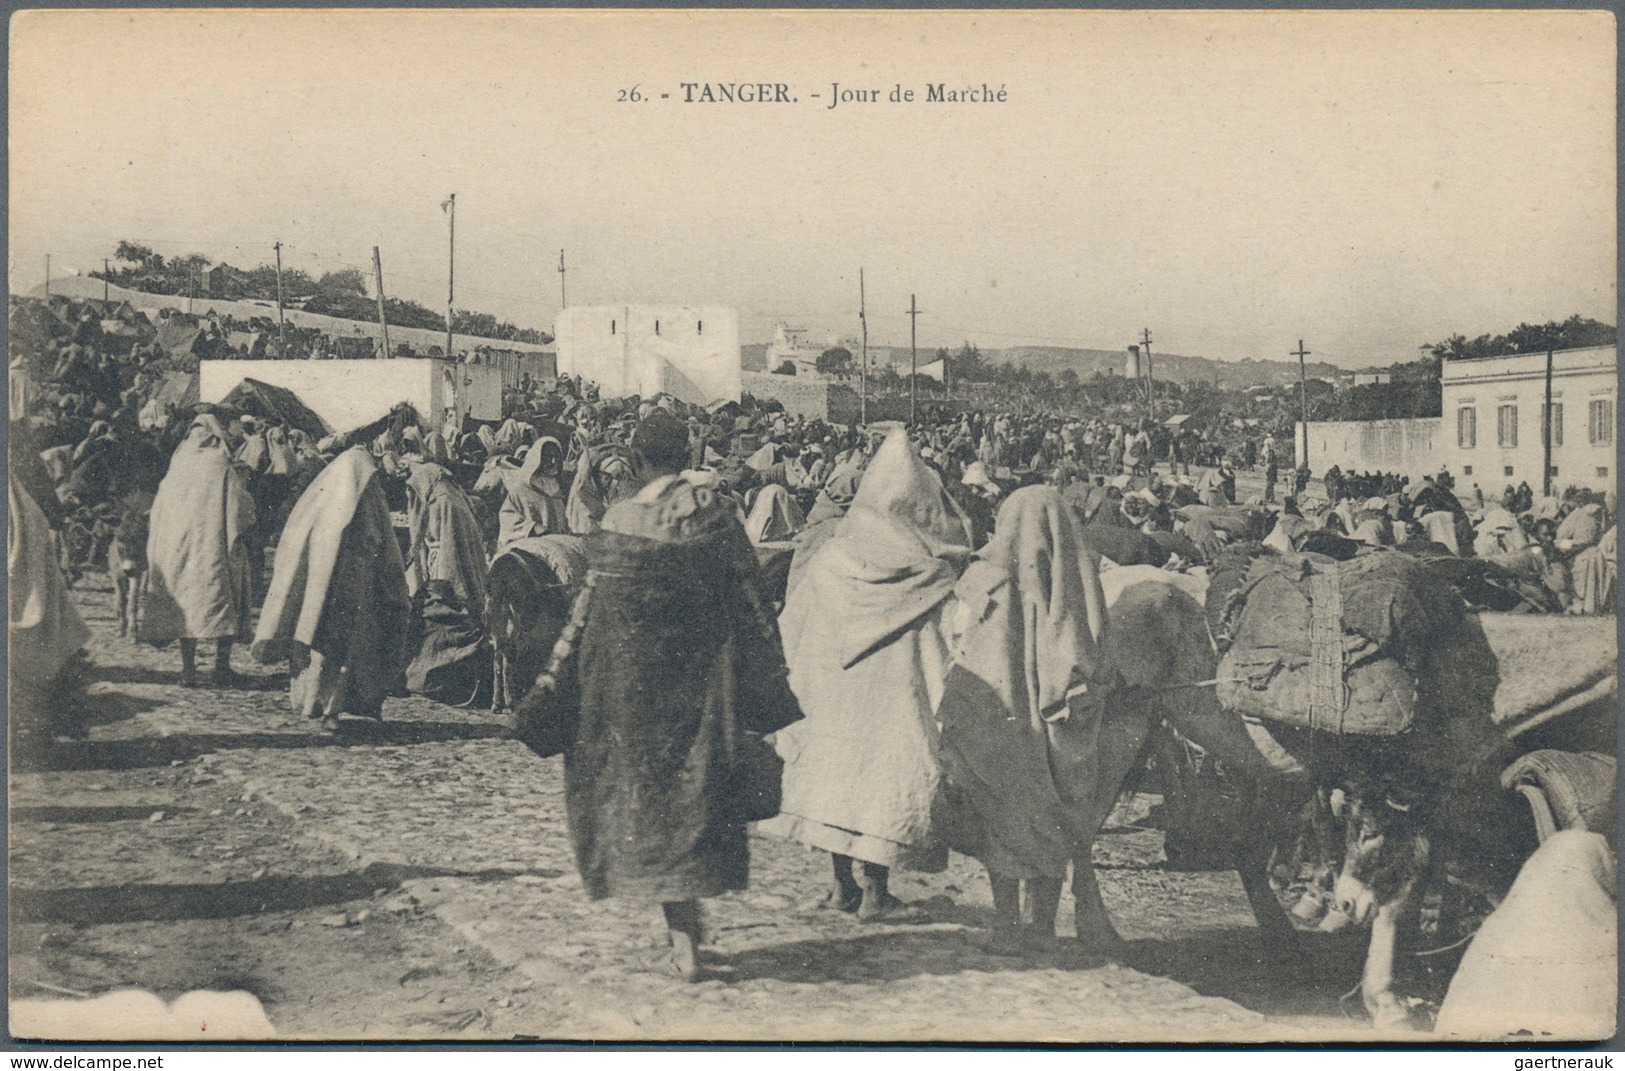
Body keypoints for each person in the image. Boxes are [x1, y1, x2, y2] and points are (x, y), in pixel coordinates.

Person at [519, 411, 802, 981]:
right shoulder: (714, 516)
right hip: (699, 691)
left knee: (646, 805)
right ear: (688, 451)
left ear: (636, 456)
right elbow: (753, 600)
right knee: (692, 801)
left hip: (623, 695)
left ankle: (682, 932)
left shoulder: (618, 521)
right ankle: (687, 932)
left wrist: (553, 678)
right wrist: (769, 675)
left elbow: (585, 609)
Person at [764, 428, 973, 920]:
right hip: (894, 707)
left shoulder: (830, 563)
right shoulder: (931, 577)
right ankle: (876, 891)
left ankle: (841, 886)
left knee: (836, 782)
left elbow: (791, 632)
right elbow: (955, 644)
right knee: (881, 784)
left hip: (833, 702)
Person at [937, 487, 1112, 953]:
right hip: (1055, 733)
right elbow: (1089, 659)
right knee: (1050, 825)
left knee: (1002, 824)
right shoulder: (1077, 583)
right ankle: (1042, 928)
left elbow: (959, 645)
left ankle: (1007, 926)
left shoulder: (982, 579)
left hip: (998, 729)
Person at [252, 413, 415, 732]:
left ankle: (315, 702)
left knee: (323, 643)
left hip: (328, 581)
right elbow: (376, 534)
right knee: (345, 647)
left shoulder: (333, 484)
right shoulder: (365, 485)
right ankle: (333, 709)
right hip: (353, 582)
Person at [137, 414, 257, 687]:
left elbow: (159, 511)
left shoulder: (177, 466)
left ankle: (188, 670)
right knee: (223, 601)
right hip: (214, 549)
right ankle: (221, 667)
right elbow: (244, 512)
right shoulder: (221, 466)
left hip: (179, 551)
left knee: (186, 607)